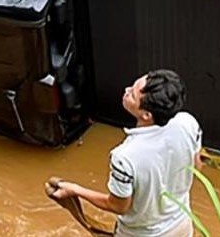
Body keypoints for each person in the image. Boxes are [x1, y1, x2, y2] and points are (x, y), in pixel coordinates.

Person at [51, 70, 202, 237]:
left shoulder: (124, 157)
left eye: (132, 94)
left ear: (146, 115)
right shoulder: (188, 123)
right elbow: (196, 167)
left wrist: (75, 190)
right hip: (182, 224)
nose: (126, 89)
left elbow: (118, 206)